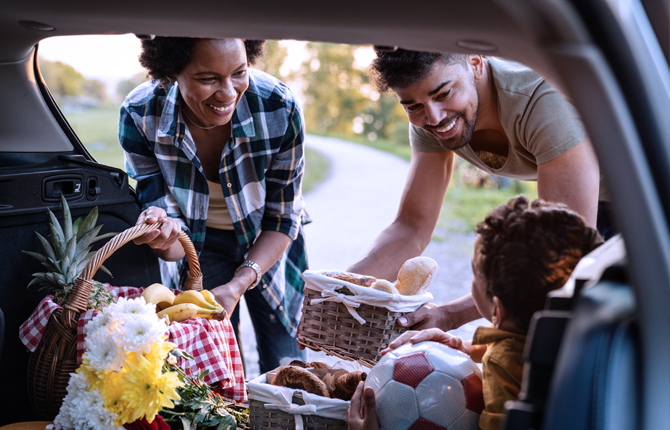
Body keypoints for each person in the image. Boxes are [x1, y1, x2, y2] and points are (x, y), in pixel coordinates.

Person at [348, 49, 612, 333]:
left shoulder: (541, 101)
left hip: (646, 198)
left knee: (576, 325)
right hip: (595, 202)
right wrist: (339, 289)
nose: (434, 118)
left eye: (444, 94)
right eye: (412, 106)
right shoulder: (428, 115)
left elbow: (558, 256)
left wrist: (450, 314)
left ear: (475, 62)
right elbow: (412, 227)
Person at [119, 37, 307, 373]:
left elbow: (283, 218)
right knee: (214, 371)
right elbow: (172, 245)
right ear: (172, 73)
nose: (228, 93)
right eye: (208, 79)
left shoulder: (278, 106)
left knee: (287, 369)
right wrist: (163, 236)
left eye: (239, 72)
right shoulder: (140, 114)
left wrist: (239, 282)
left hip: (269, 244)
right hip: (199, 249)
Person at [348, 196, 603, 430]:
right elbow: (518, 347)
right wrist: (467, 349)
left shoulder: (502, 367)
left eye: (475, 276)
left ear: (498, 310)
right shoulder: (578, 336)